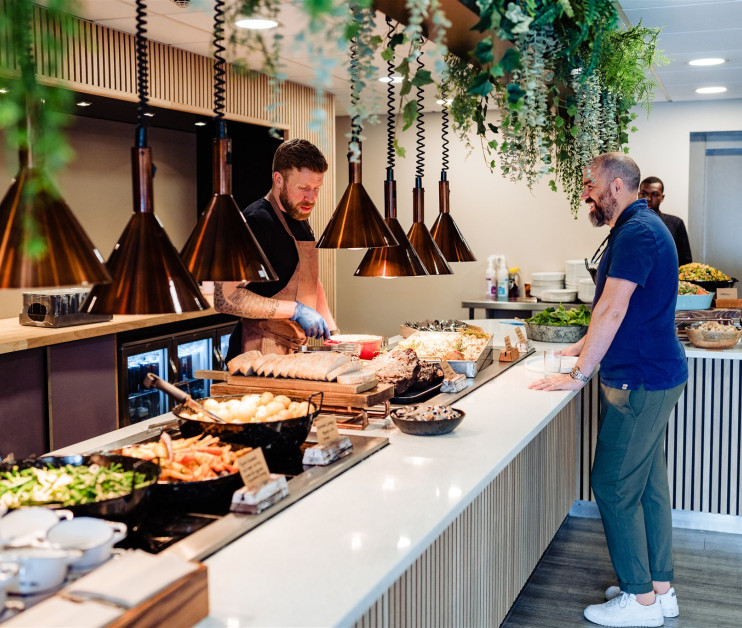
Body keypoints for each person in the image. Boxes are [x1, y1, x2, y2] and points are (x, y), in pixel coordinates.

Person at [529, 153, 688, 627]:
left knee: (614, 486)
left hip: (637, 379)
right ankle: (660, 589)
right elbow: (611, 310)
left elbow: (615, 312)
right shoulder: (641, 227)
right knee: (649, 488)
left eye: (589, 184)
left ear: (616, 186)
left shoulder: (638, 233)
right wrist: (577, 348)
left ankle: (640, 602)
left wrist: (577, 374)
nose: (584, 193)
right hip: (654, 374)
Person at [215, 139, 337, 361]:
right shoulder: (256, 221)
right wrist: (296, 311)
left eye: (316, 189)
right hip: (256, 354)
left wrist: (335, 336)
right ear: (278, 179)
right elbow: (224, 297)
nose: (311, 198)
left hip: (292, 351)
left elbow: (310, 281)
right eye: (303, 188)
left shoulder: (300, 218)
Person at [639, 176, 692, 266]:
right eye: (643, 194)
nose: (648, 199)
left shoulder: (676, 223)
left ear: (662, 197)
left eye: (654, 194)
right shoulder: (628, 222)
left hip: (668, 278)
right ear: (638, 195)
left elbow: (685, 263)